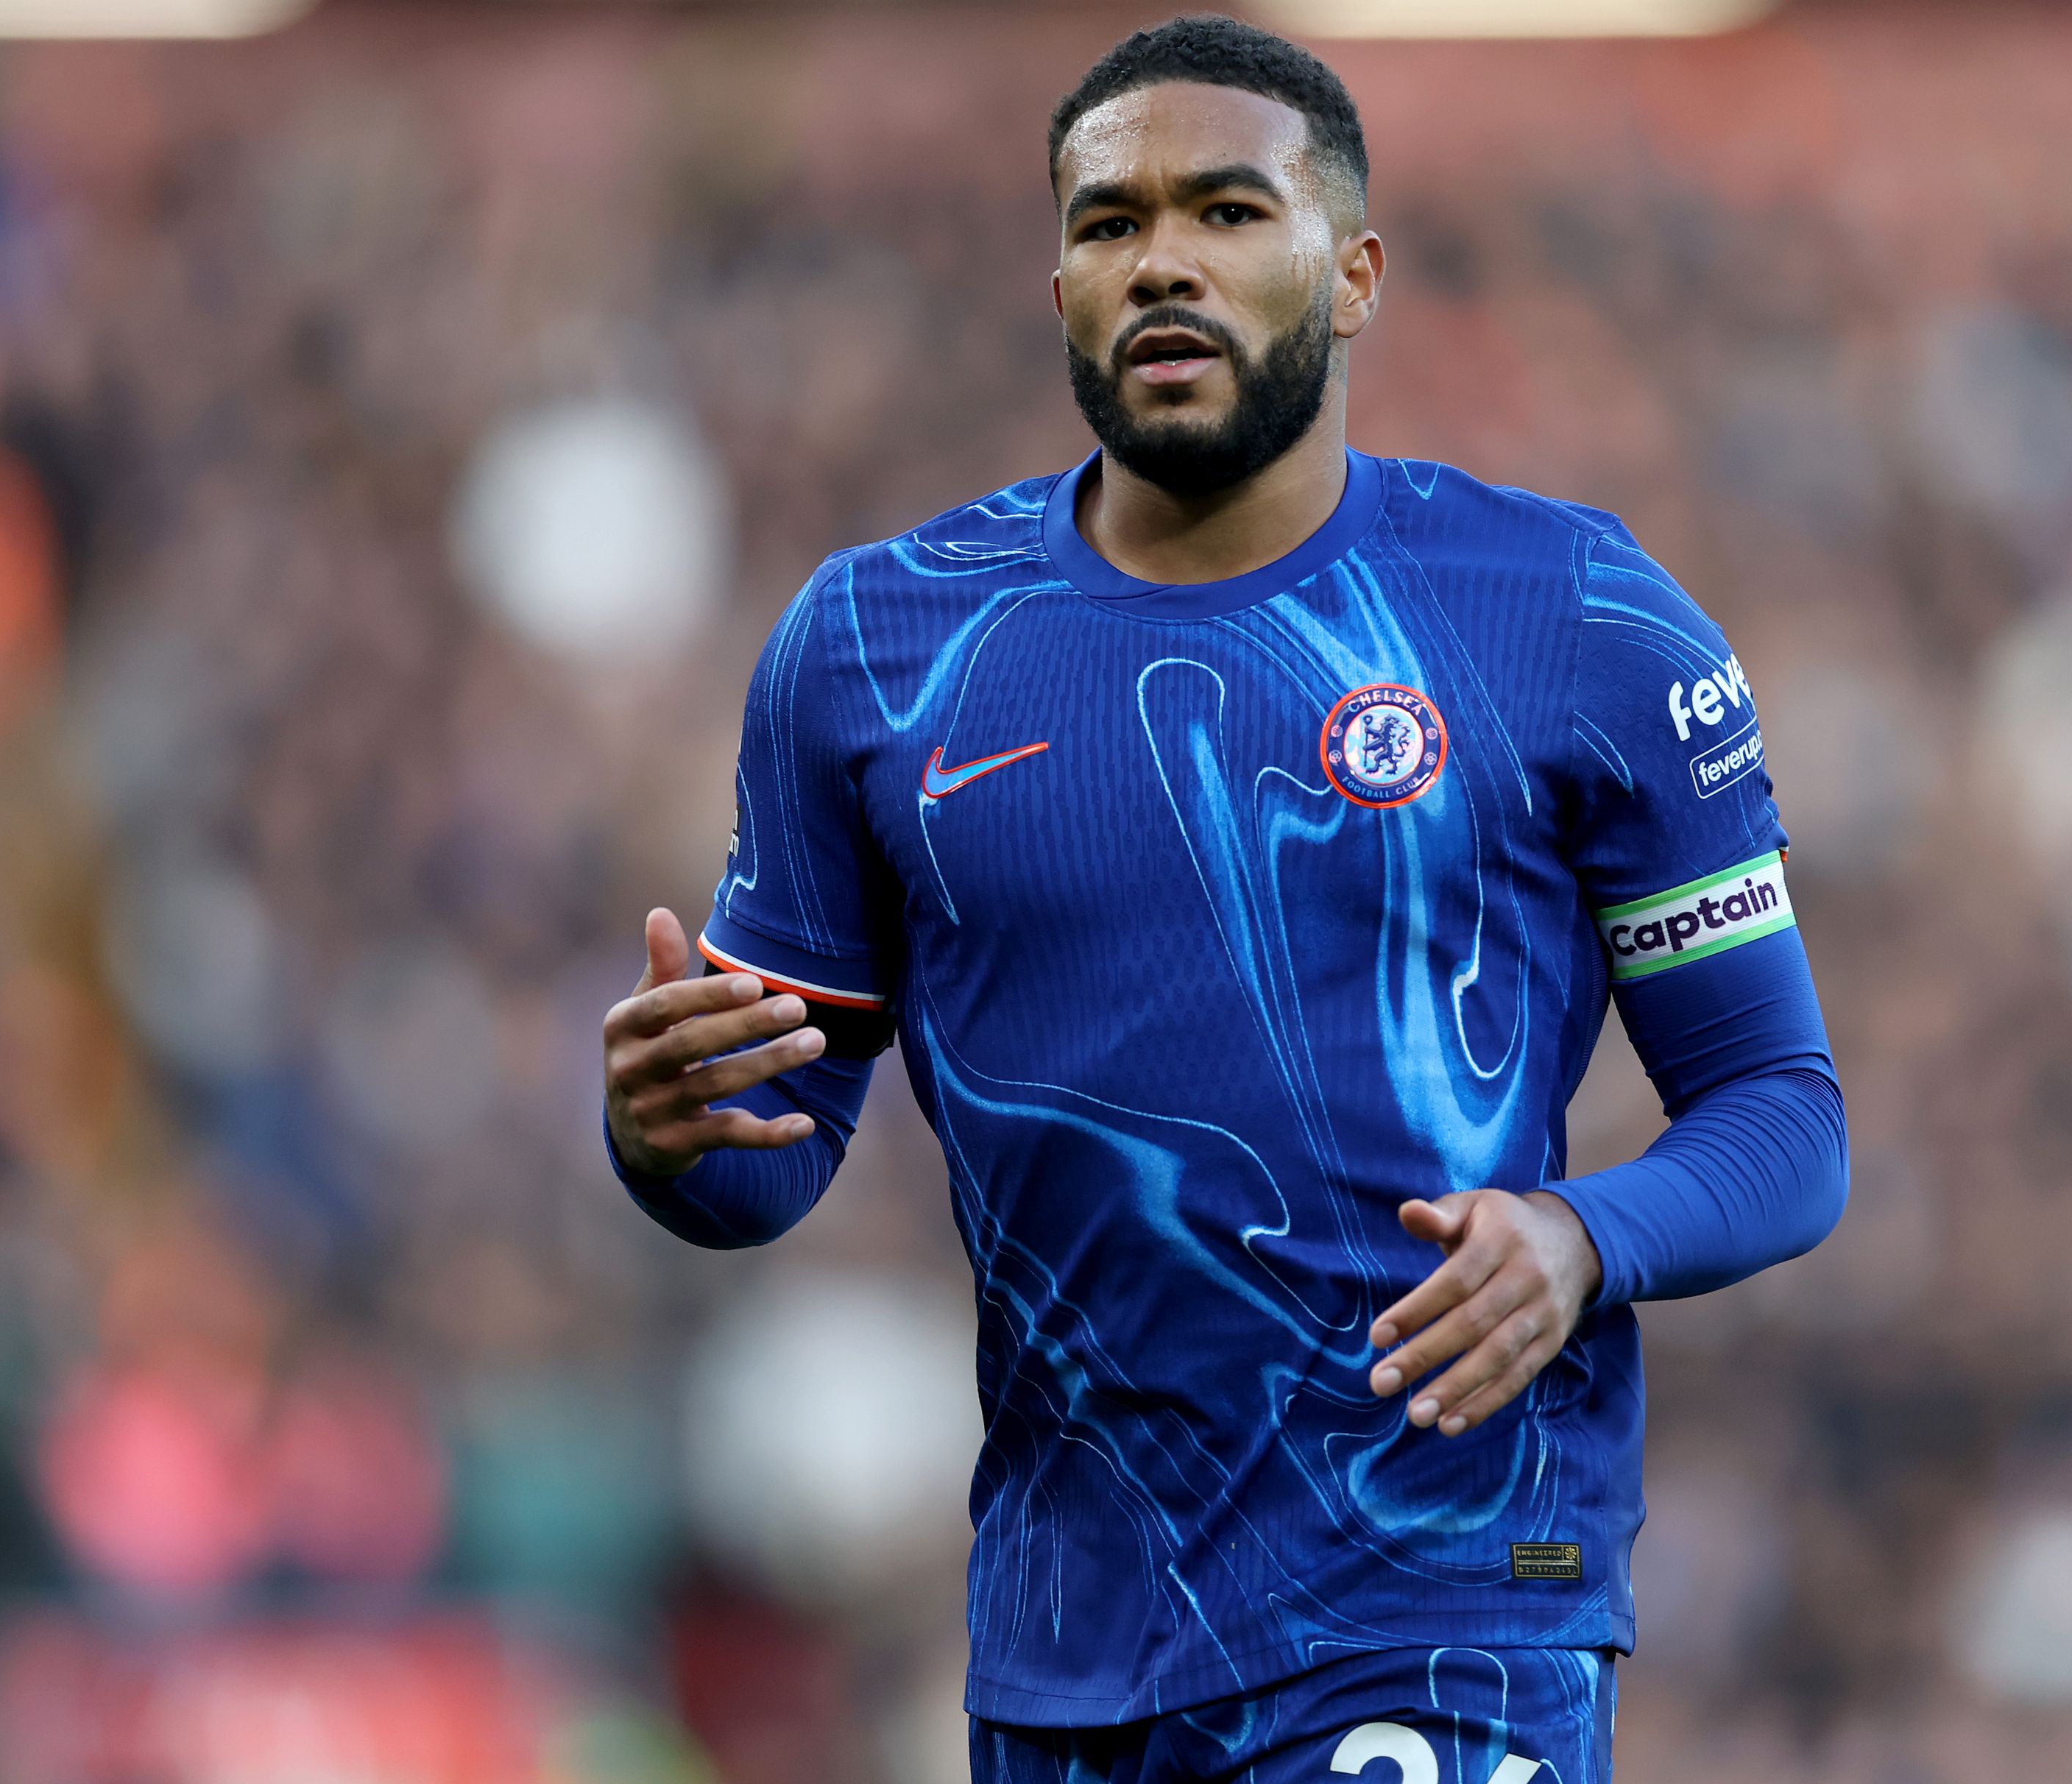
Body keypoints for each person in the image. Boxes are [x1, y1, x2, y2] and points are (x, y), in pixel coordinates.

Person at [600, 17, 1846, 1782]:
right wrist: (666, 1137)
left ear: (1351, 277)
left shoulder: (1570, 614)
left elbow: (1782, 1118)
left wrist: (1581, 1240)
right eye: (1109, 224)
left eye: (1226, 211)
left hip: (1448, 1597)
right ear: (1056, 287)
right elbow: (759, 1170)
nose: (1162, 257)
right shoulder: (876, 647)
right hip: (1066, 1645)